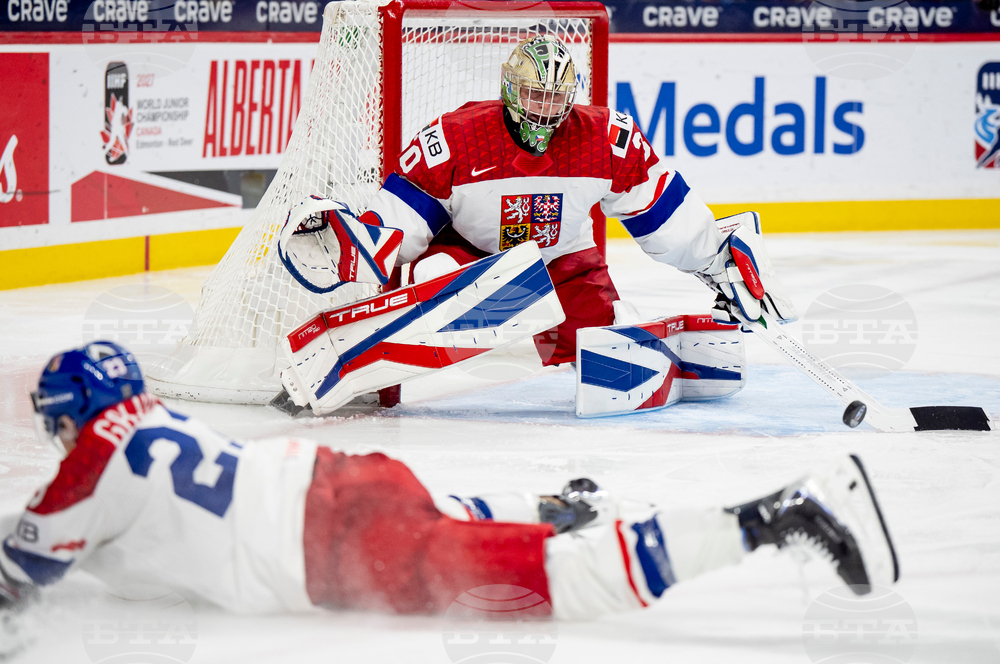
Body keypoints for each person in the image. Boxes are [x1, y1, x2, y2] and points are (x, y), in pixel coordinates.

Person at [1, 341, 898, 620]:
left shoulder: (85, 462)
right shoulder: (160, 419)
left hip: (329, 546)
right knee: (435, 517)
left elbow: (21, 575)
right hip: (345, 479)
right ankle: (555, 507)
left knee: (549, 586)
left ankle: (775, 515)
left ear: (71, 411)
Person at [359, 35, 798, 366]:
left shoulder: (605, 140)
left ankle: (576, 349)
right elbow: (405, 217)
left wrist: (716, 259)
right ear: (511, 88)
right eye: (535, 94)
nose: (545, 109)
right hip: (472, 257)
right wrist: (360, 247)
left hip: (562, 262)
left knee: (600, 358)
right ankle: (385, 352)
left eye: (556, 97)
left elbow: (661, 209)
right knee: (433, 274)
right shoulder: (458, 138)